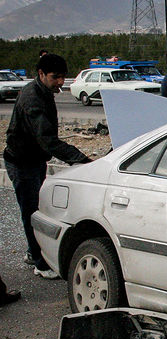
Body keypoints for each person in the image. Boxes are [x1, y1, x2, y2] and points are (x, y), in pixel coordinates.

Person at [4, 54, 93, 279]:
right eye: (56, 77)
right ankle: (40, 262)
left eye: (63, 77)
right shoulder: (33, 98)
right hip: (22, 162)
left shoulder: (42, 91)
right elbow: (48, 140)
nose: (61, 82)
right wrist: (81, 160)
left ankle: (32, 251)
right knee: (32, 211)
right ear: (41, 74)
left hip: (33, 160)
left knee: (37, 207)